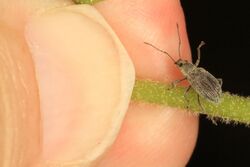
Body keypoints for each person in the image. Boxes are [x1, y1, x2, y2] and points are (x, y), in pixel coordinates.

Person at [0, 0, 198, 166]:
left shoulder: (191, 75)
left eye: (182, 65)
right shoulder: (189, 75)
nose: (181, 64)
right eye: (182, 65)